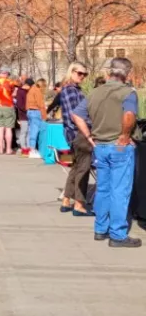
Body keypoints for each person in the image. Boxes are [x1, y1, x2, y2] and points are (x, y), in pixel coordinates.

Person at [72, 57, 140, 247]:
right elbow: (129, 115)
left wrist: (88, 136)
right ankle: (117, 234)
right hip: (119, 146)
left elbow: (76, 114)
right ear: (127, 73)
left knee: (103, 188)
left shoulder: (94, 93)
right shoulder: (128, 93)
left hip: (100, 145)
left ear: (109, 72)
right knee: (120, 191)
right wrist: (125, 136)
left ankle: (100, 228)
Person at [58, 62, 92, 216]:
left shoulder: (68, 89)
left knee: (76, 167)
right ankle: (79, 204)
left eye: (85, 74)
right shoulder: (71, 90)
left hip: (72, 133)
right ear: (71, 72)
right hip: (78, 132)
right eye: (79, 73)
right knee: (83, 169)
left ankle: (66, 200)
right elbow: (75, 115)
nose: (82, 77)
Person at [0, 66, 17, 155]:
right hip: (8, 106)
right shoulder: (10, 82)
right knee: (8, 129)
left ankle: (0, 149)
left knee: (0, 128)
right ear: (6, 73)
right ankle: (8, 149)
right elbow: (13, 93)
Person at [26, 78, 48, 158]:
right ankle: (33, 150)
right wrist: (44, 116)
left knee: (32, 131)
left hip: (30, 111)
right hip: (36, 112)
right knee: (36, 132)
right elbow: (41, 104)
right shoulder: (37, 91)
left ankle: (31, 149)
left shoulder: (31, 89)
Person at [14, 78, 31, 154]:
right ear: (26, 85)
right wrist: (27, 109)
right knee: (24, 132)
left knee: (27, 132)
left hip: (26, 114)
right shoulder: (21, 92)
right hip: (23, 115)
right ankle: (23, 146)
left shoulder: (25, 91)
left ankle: (27, 146)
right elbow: (20, 105)